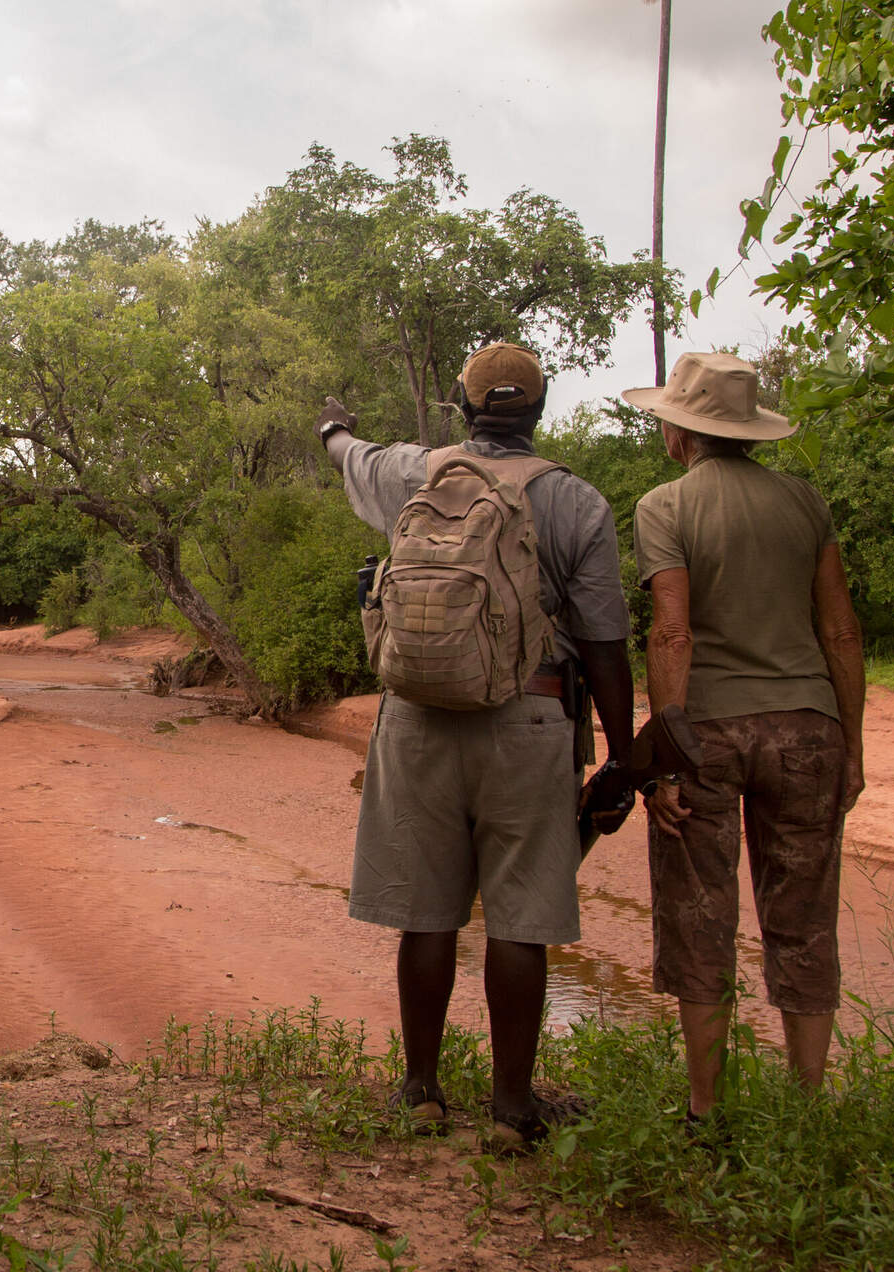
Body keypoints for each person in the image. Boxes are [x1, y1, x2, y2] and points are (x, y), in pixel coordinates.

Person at [318, 342, 635, 1149]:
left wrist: (331, 428)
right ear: (540, 409)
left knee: (425, 917)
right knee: (518, 921)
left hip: (416, 719)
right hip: (531, 719)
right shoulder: (575, 500)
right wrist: (621, 760)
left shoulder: (412, 472)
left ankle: (421, 1092)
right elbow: (604, 644)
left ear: (462, 407)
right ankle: (511, 1108)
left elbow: (347, 452)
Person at [621, 350, 866, 1121]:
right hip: (808, 731)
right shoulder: (804, 502)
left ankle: (705, 1111)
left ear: (678, 432)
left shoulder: (663, 507)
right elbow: (839, 630)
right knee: (803, 921)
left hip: (708, 735)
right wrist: (852, 747)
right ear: (747, 430)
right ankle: (805, 1108)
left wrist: (662, 764)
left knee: (700, 918)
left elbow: (671, 634)